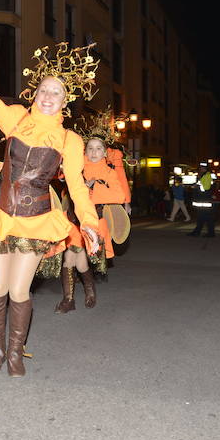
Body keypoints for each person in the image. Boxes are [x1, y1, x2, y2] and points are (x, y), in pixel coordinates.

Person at [0, 22, 100, 377]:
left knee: (18, 289)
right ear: (35, 94)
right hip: (0, 215)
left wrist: (89, 222)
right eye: (44, 90)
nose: (48, 97)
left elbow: (76, 186)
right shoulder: (15, 118)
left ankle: (15, 353)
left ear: (65, 102)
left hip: (37, 221)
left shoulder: (70, 140)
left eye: (56, 93)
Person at [55, 120, 130, 314]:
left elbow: (118, 196)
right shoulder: (77, 168)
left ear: (105, 153)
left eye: (98, 149)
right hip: (74, 220)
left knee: (78, 260)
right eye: (90, 148)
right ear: (85, 151)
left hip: (94, 221)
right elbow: (65, 187)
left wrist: (93, 187)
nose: (94, 152)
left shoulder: (109, 173)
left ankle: (84, 293)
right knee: (71, 259)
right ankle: (71, 298)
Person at [187, 165, 216, 238]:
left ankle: (209, 233)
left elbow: (205, 188)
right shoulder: (204, 176)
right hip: (203, 200)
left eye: (200, 168)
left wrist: (196, 187)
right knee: (202, 217)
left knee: (206, 218)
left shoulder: (206, 176)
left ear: (204, 169)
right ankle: (198, 232)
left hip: (204, 200)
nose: (199, 169)